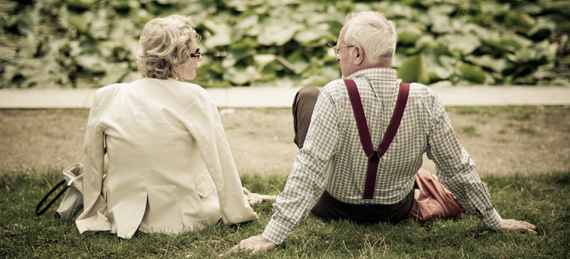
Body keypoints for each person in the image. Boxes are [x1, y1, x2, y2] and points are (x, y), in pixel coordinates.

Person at [235, 11, 536, 253]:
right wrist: (494, 220)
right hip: (395, 209)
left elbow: (310, 167)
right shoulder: (424, 98)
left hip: (333, 206)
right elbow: (457, 167)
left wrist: (271, 235)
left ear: (356, 53)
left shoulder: (334, 94)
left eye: (338, 50)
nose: (337, 56)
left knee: (308, 96)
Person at [75, 15, 263, 239]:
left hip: (121, 213)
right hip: (183, 215)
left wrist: (92, 214)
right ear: (178, 58)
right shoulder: (194, 97)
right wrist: (237, 208)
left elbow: (93, 163)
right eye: (195, 53)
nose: (200, 58)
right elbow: (219, 161)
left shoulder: (107, 96)